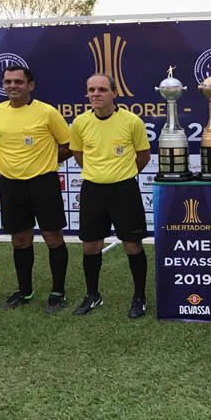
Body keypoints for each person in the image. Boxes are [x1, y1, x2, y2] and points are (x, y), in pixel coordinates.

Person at [0, 66, 72, 312]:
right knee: (20, 240)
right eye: (8, 81)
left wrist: (47, 161)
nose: (13, 86)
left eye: (18, 82)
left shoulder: (47, 112)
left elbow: (69, 144)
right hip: (10, 184)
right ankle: (24, 291)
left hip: (43, 182)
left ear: (30, 85)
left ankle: (58, 292)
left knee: (52, 237)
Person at [69, 74, 151, 319]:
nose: (96, 94)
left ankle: (139, 297)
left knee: (132, 245)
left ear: (114, 93)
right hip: (93, 191)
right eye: (91, 89)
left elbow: (143, 156)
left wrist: (121, 174)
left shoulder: (131, 121)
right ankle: (93, 295)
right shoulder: (80, 123)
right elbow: (78, 154)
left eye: (102, 89)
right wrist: (100, 174)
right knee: (90, 245)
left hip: (124, 190)